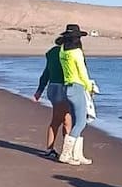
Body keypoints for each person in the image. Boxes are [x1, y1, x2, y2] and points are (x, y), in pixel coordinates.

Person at [57, 24, 95, 166]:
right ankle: (66, 153)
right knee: (81, 122)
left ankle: (77, 154)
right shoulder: (77, 52)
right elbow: (82, 72)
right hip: (77, 87)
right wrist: (89, 86)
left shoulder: (62, 51)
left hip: (67, 87)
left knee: (76, 121)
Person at [33, 32, 72, 159]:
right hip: (62, 88)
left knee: (65, 120)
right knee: (60, 120)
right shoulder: (69, 53)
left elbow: (46, 73)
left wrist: (39, 90)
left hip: (53, 88)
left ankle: (61, 150)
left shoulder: (52, 52)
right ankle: (55, 150)